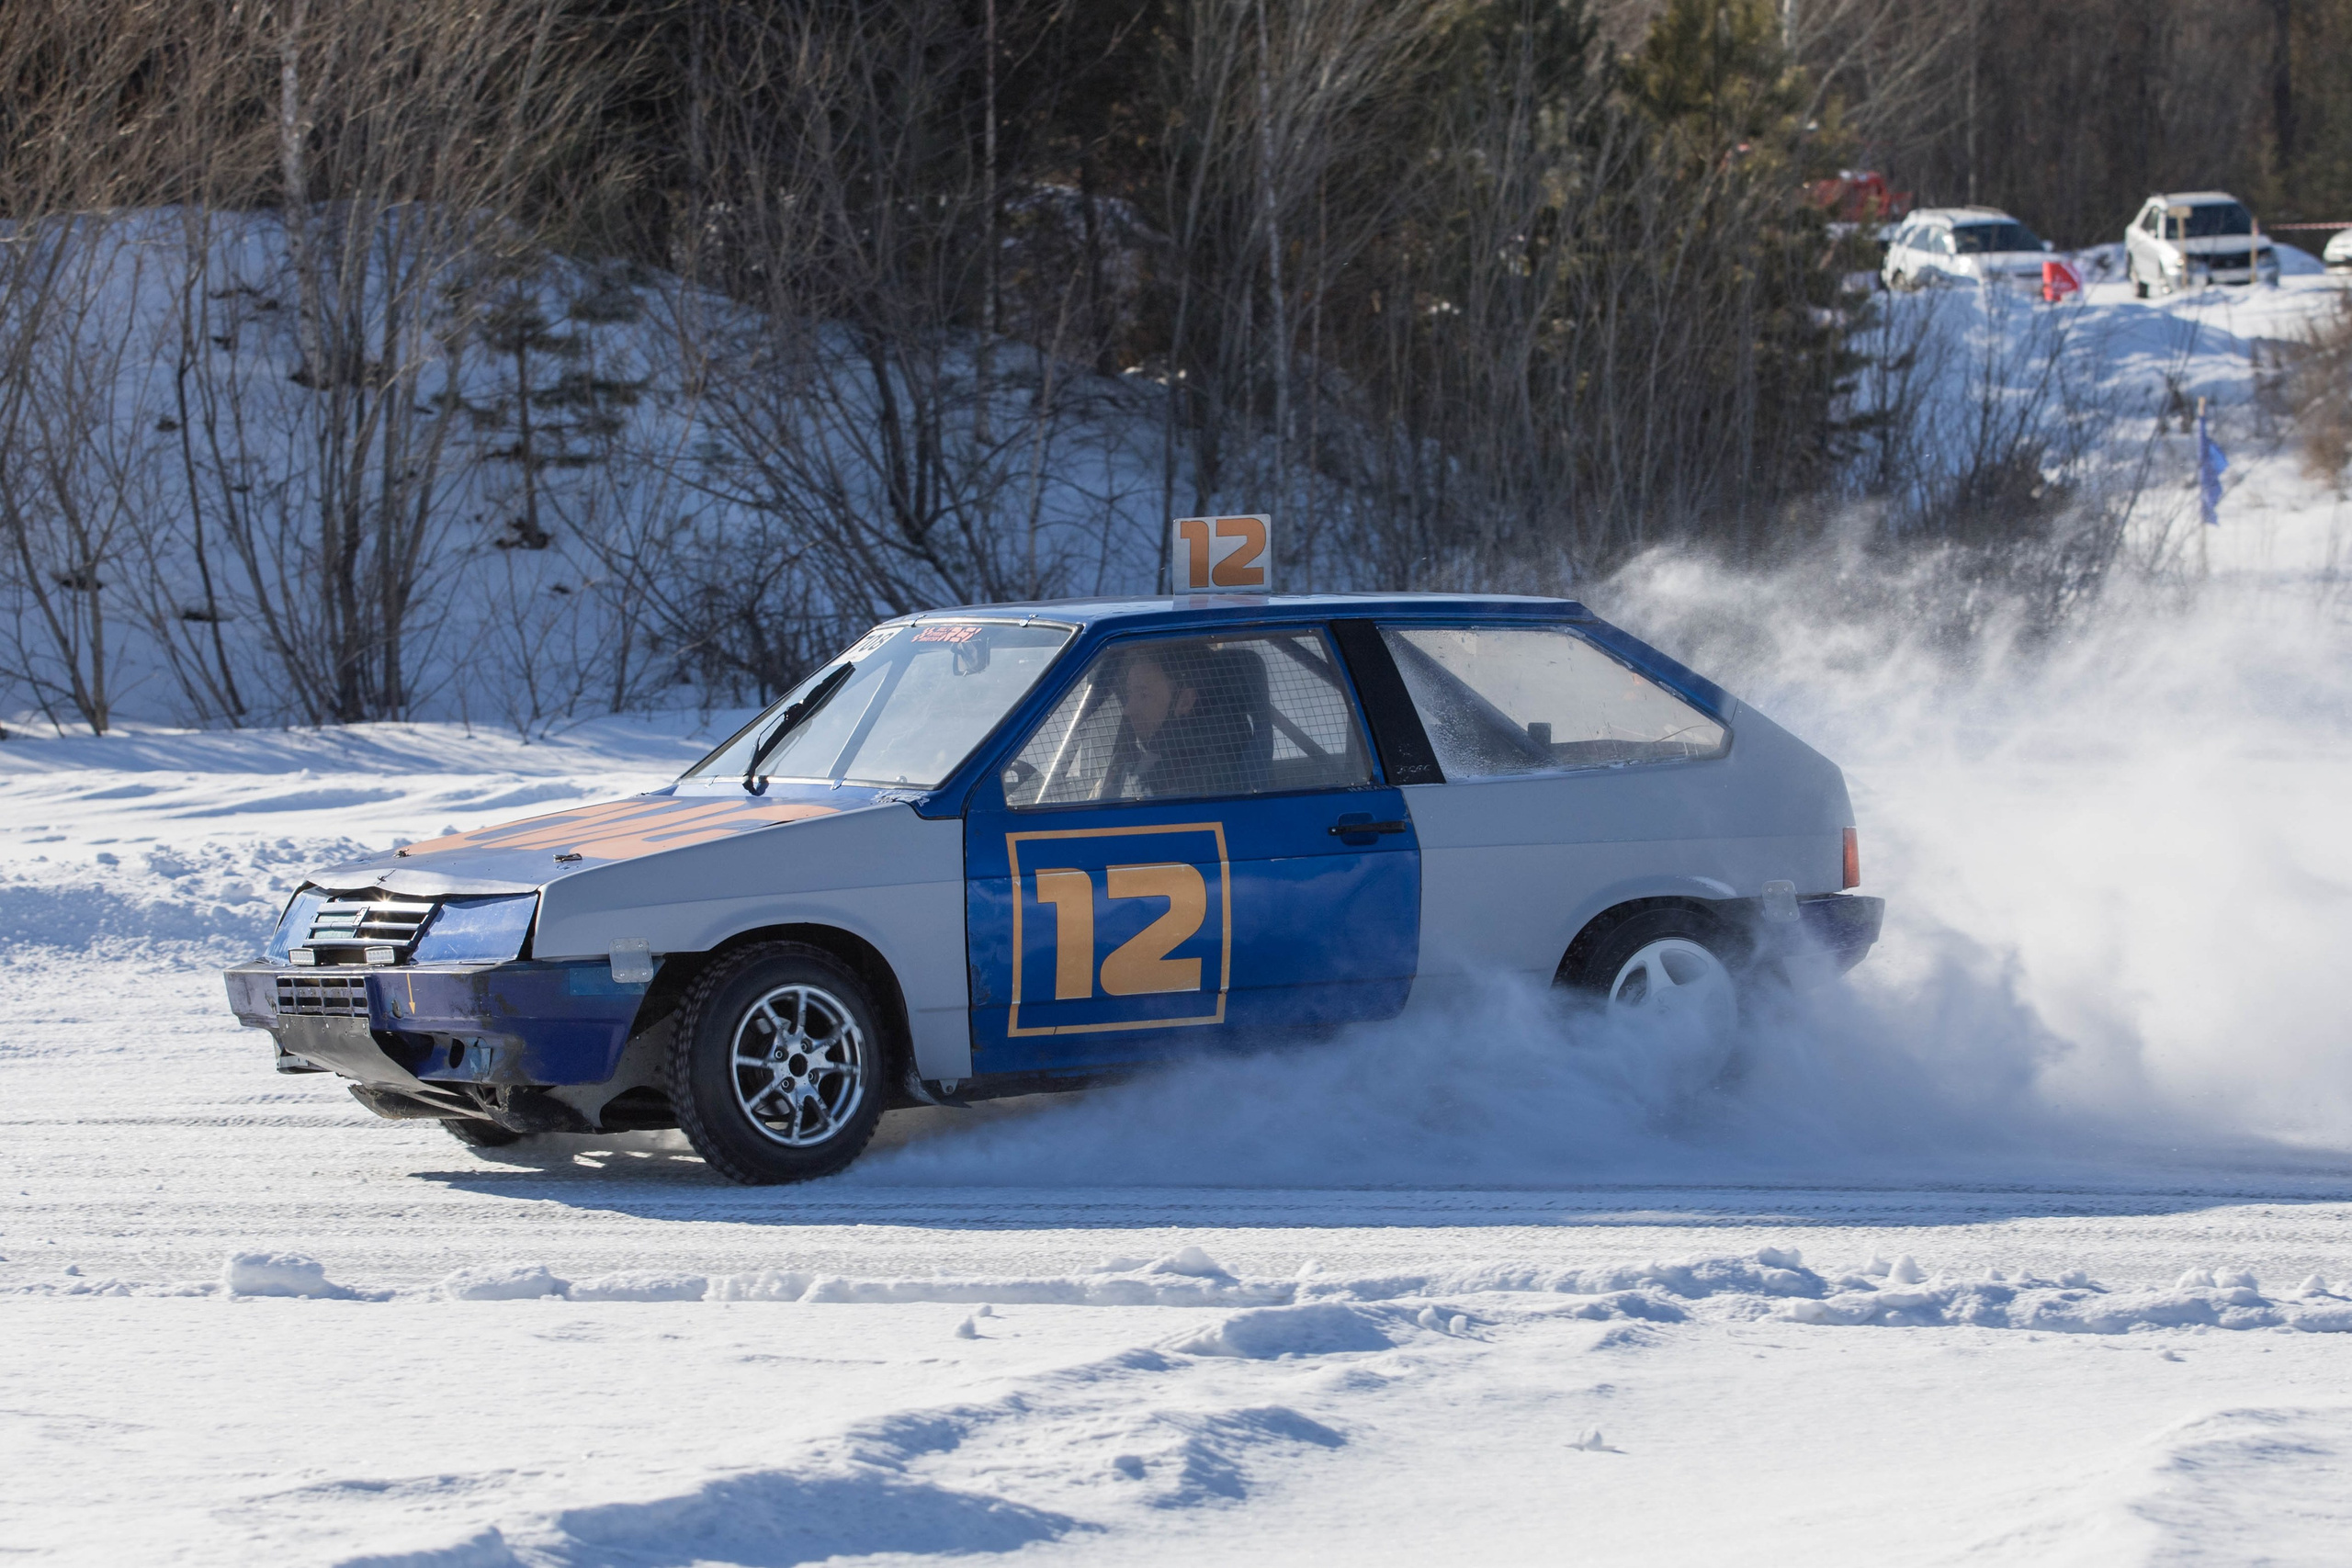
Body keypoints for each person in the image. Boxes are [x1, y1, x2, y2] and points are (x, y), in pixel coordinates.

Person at [1106, 640, 1261, 799]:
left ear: (1185, 701)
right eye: (1129, 692)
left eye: (1143, 695)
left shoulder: (1197, 782)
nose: (1127, 710)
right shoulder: (1153, 757)